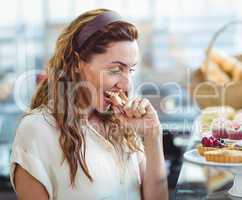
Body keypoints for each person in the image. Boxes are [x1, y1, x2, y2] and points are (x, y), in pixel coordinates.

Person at [10, 8, 168, 200]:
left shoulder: (122, 126)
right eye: (115, 69)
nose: (127, 84)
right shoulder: (37, 131)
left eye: (131, 70)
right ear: (77, 63)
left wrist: (153, 134)